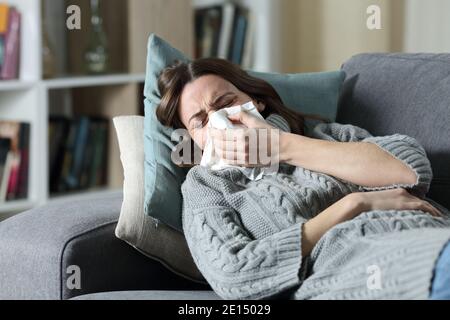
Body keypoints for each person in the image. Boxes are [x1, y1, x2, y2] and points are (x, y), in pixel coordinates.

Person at [156, 58, 450, 300]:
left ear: (255, 101)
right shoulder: (206, 187)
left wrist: (277, 145)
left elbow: (409, 169)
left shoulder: (326, 135)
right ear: (194, 139)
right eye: (201, 121)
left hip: (434, 231)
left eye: (225, 103)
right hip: (375, 267)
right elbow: (233, 272)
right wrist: (356, 203)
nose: (218, 120)